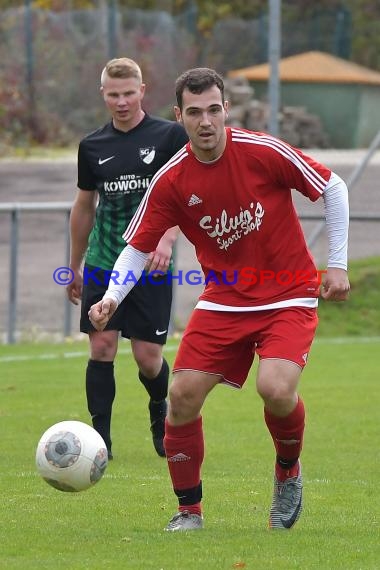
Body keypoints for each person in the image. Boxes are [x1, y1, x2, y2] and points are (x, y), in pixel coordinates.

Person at [88, 67, 350, 530]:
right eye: (194, 112)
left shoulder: (261, 151)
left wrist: (338, 264)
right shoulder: (171, 180)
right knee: (181, 396)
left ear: (226, 109)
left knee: (275, 388)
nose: (206, 121)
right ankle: (189, 511)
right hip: (224, 300)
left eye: (213, 109)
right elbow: (137, 246)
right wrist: (112, 296)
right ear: (179, 116)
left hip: (288, 294)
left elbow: (333, 187)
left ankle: (288, 471)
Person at [66, 57, 188, 460]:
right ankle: (99, 441)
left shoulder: (169, 136)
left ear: (142, 91)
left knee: (147, 358)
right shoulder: (92, 146)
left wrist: (167, 239)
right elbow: (84, 207)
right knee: (101, 346)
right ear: (103, 94)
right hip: (104, 258)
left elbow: (181, 195)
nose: (121, 102)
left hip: (151, 263)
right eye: (113, 95)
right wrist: (75, 264)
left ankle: (158, 408)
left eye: (128, 93)